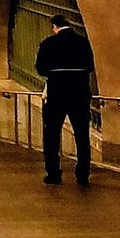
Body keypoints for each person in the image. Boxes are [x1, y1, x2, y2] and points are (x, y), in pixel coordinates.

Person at [35, 14, 95, 186]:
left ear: (54, 27)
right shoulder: (83, 42)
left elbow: (40, 68)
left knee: (52, 134)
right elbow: (90, 66)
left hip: (57, 92)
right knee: (82, 134)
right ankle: (82, 173)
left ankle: (53, 173)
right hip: (79, 92)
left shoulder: (48, 43)